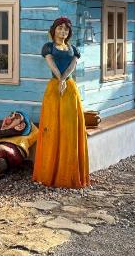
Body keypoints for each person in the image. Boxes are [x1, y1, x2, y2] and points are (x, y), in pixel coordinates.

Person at [32, 17, 89, 188]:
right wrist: (60, 79)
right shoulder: (48, 47)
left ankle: (68, 172)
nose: (63, 31)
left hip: (69, 89)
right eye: (60, 28)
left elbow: (72, 67)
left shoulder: (73, 49)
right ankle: (50, 171)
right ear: (54, 30)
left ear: (68, 32)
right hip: (54, 89)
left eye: (66, 29)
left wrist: (64, 80)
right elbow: (51, 64)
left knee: (69, 128)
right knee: (53, 126)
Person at [0, 111, 39, 180]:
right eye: (10, 116)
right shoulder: (5, 132)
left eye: (15, 117)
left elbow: (36, 133)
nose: (10, 118)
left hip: (15, 152)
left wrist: (28, 124)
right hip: (4, 153)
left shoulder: (25, 131)